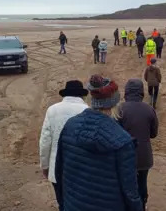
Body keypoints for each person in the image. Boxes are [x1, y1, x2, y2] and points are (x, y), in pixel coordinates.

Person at [55, 75, 143, 211]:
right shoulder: (123, 141)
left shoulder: (70, 126)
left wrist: (63, 204)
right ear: (116, 103)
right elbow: (130, 191)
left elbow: (59, 172)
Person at [39, 80, 89, 210]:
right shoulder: (87, 110)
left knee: (62, 202)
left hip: (57, 167)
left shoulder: (52, 110)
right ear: (81, 95)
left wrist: (45, 165)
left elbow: (45, 141)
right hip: (81, 168)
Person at [118, 78, 159, 210]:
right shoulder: (149, 109)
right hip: (143, 155)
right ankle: (142, 205)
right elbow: (153, 134)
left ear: (126, 92)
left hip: (123, 156)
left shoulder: (119, 110)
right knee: (142, 183)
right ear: (141, 92)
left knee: (124, 184)